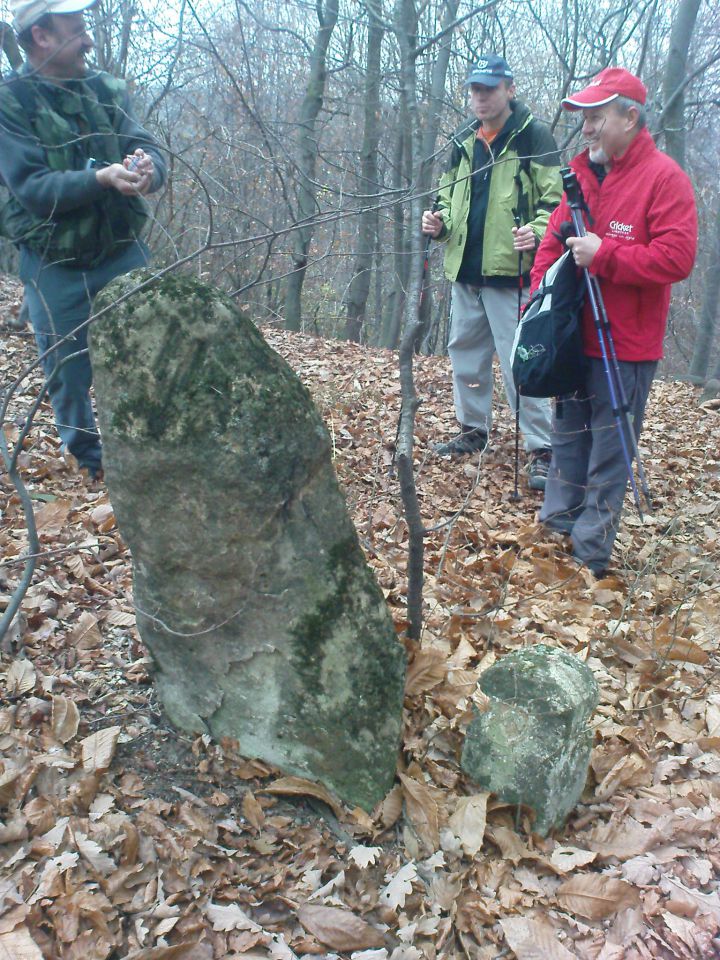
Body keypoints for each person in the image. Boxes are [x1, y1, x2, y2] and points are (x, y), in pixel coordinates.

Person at [531, 67, 697, 575]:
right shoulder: (580, 174)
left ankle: (588, 555)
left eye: (596, 117)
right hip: (571, 339)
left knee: (609, 452)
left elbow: (676, 258)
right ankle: (556, 529)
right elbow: (552, 243)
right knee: (567, 438)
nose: (586, 128)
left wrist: (606, 255)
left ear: (630, 116)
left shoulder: (665, 179)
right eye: (583, 118)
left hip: (625, 347)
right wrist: (535, 305)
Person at [0, 0, 167, 479]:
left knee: (153, 352)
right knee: (69, 377)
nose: (89, 40)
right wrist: (99, 179)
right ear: (41, 39)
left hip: (121, 253)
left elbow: (146, 144)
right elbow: (31, 188)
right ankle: (93, 468)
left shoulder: (105, 91)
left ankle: (157, 449)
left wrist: (147, 170)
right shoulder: (11, 103)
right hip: (54, 265)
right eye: (77, 31)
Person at [422, 54, 562, 490]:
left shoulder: (533, 135)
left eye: (489, 89)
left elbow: (555, 201)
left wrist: (537, 233)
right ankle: (473, 431)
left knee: (523, 359)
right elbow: (448, 197)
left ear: (510, 89)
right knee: (465, 353)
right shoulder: (463, 138)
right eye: (475, 90)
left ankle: (542, 449)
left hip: (512, 272)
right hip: (465, 268)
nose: (480, 98)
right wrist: (438, 222)